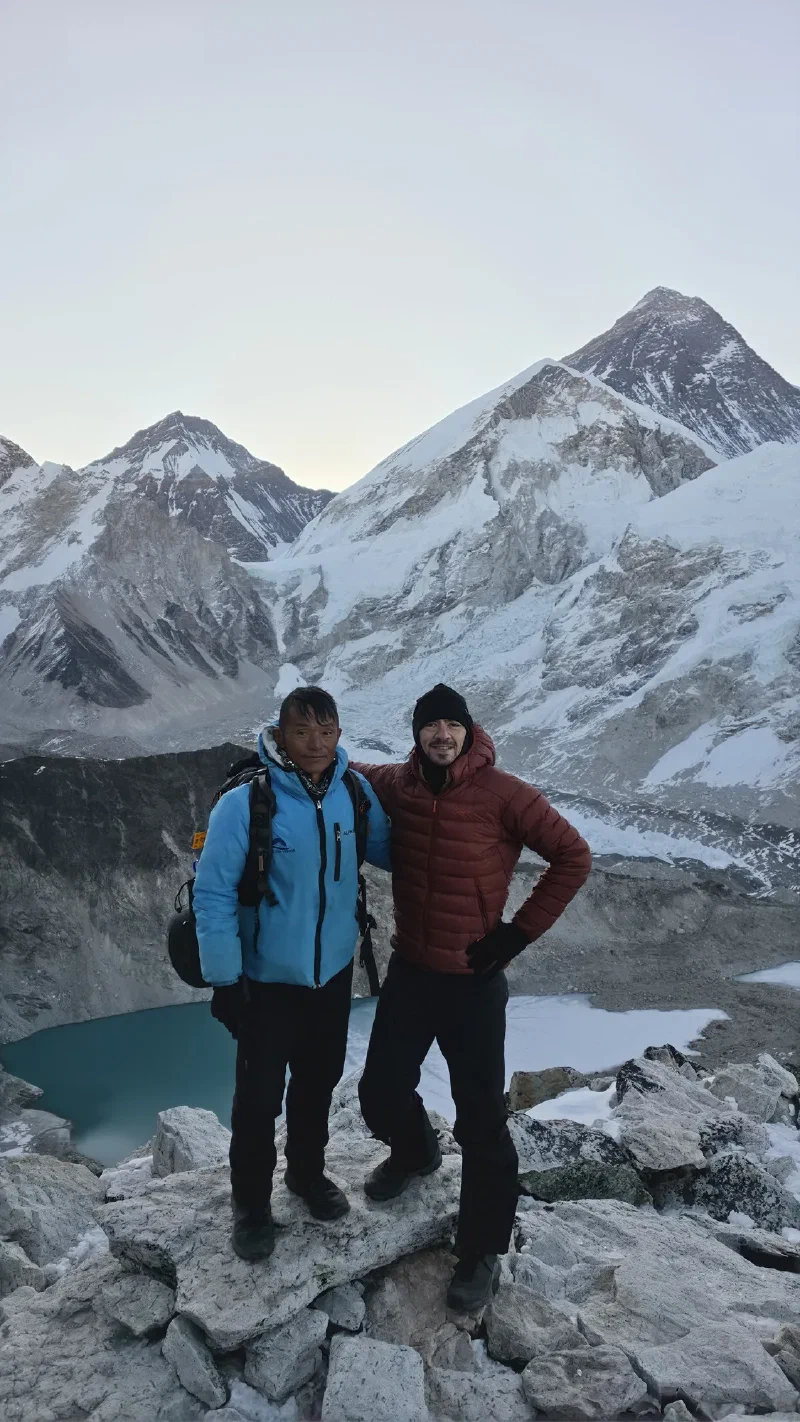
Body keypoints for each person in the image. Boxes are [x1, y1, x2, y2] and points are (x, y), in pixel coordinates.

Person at [352, 683, 591, 1312]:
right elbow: (339, 767)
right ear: (417, 733)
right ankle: (416, 1150)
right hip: (412, 971)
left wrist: (515, 934)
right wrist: (275, 752)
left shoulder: (504, 794)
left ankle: (480, 1251)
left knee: (481, 1118)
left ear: (467, 731)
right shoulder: (397, 782)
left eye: (451, 726)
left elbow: (572, 854)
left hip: (474, 981)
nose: (441, 735)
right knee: (378, 1092)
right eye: (430, 725)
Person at [193, 686, 391, 1262]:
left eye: (326, 732)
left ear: (339, 734)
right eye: (302, 732)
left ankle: (306, 1175)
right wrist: (226, 981)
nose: (315, 744)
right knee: (257, 1100)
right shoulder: (246, 803)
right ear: (280, 735)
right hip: (264, 984)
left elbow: (392, 850)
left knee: (317, 1082)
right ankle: (251, 1206)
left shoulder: (353, 793)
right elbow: (213, 894)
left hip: (330, 977)